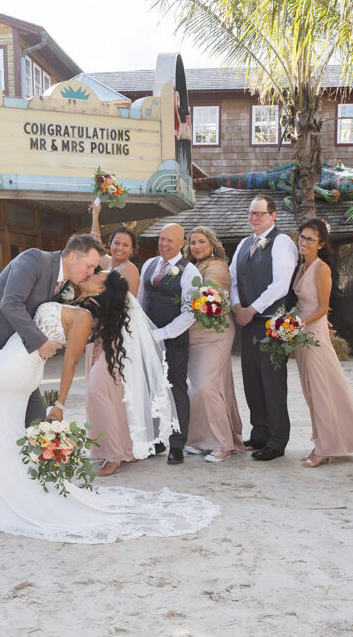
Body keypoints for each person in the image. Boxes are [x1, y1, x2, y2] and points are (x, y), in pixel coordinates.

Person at [0, 271, 216, 543]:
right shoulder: (75, 298)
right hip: (11, 359)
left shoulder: (84, 316)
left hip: (17, 366)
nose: (90, 273)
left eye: (97, 275)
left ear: (101, 289)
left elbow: (70, 363)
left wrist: (60, 403)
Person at [0, 233, 103, 528]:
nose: (91, 273)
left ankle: (38, 491)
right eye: (91, 266)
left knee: (34, 419)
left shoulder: (67, 284)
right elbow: (11, 303)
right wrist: (40, 342)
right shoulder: (34, 259)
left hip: (14, 357)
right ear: (72, 257)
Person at [292, 219, 353, 467]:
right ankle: (322, 441)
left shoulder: (321, 269)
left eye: (310, 239)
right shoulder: (302, 267)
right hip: (302, 333)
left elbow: (323, 308)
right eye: (302, 237)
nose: (303, 242)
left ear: (321, 243)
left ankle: (325, 448)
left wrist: (297, 325)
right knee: (311, 390)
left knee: (322, 389)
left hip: (313, 334)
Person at [230, 194, 298, 462]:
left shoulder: (282, 242)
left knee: (273, 382)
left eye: (259, 214)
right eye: (251, 214)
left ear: (273, 215)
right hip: (247, 322)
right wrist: (237, 306)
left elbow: (281, 284)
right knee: (252, 380)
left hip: (272, 322)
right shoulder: (244, 243)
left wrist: (251, 309)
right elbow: (233, 277)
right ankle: (259, 432)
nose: (254, 218)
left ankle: (277, 439)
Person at [86, 200, 143, 475]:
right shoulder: (107, 262)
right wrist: (96, 214)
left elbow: (117, 308)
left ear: (132, 250)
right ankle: (121, 447)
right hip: (101, 337)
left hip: (118, 341)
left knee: (99, 390)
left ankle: (114, 454)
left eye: (125, 245)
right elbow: (94, 243)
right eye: (116, 243)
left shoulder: (128, 271)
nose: (119, 248)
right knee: (114, 394)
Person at [137, 223, 199, 465]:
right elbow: (142, 300)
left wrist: (161, 334)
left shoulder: (190, 271)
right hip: (148, 338)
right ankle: (155, 440)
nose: (164, 244)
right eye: (162, 239)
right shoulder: (149, 265)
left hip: (173, 339)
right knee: (150, 388)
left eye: (170, 240)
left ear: (182, 243)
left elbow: (189, 313)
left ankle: (177, 444)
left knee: (176, 389)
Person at [182, 227, 245, 463]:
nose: (196, 246)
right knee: (197, 387)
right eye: (192, 242)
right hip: (194, 333)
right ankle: (201, 440)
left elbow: (208, 293)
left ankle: (224, 443)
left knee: (206, 387)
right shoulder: (192, 266)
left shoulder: (216, 266)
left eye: (201, 242)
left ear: (211, 244)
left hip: (214, 333)